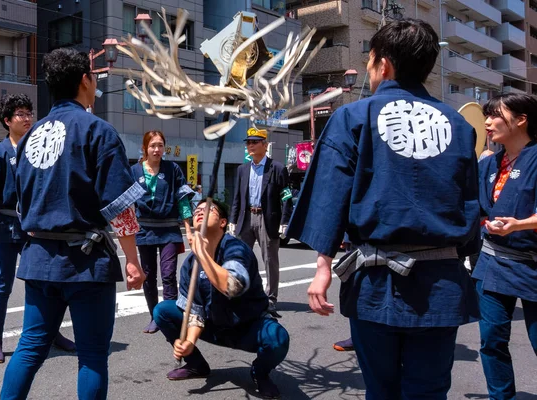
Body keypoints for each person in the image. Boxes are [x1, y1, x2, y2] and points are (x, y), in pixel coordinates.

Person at [287, 19, 480, 399]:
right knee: (430, 390)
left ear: (384, 64)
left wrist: (322, 268)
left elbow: (331, 195)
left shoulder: (353, 117)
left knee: (380, 389)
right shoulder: (459, 126)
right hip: (441, 280)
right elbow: (470, 203)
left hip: (376, 285)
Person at [0, 48, 146, 399]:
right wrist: (133, 260)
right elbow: (119, 207)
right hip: (86, 261)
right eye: (94, 76)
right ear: (85, 80)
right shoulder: (97, 131)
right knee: (93, 355)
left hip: (37, 258)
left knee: (30, 347)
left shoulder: (28, 138)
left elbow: (23, 201)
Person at [0, 94, 75, 364]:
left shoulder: (41, 150)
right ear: (7, 120)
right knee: (2, 286)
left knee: (46, 283)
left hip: (36, 227)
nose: (28, 118)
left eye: (30, 113)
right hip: (5, 227)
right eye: (21, 114)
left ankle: (52, 334)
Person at [154, 199, 289, 399]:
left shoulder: (236, 248)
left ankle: (259, 373)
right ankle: (196, 365)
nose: (200, 211)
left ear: (223, 222)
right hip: (214, 325)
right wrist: (189, 342)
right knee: (163, 311)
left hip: (247, 327)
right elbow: (195, 311)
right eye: (197, 210)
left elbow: (232, 287)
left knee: (278, 338)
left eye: (208, 209)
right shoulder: (191, 263)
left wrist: (202, 254)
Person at [472, 93, 537, 400]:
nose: (487, 121)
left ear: (521, 120)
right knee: (491, 340)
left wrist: (518, 225)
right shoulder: (489, 164)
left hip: (532, 263)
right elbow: (475, 207)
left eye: (495, 115)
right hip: (493, 262)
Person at [132, 130, 194, 334]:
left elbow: (183, 198)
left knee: (168, 275)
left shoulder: (173, 169)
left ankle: (171, 315)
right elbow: (126, 202)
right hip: (144, 229)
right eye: (153, 146)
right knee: (148, 276)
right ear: (145, 148)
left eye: (160, 145)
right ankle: (154, 317)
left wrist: (189, 229)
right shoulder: (134, 171)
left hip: (168, 228)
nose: (157, 149)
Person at [229, 127, 292, 318]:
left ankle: (271, 298)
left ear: (265, 145)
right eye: (248, 142)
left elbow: (286, 196)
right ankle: (243, 295)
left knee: (270, 259)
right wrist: (232, 220)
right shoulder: (242, 169)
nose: (250, 146)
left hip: (267, 217)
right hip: (246, 217)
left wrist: (285, 221)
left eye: (254, 142)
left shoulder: (277, 168)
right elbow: (237, 197)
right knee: (240, 257)